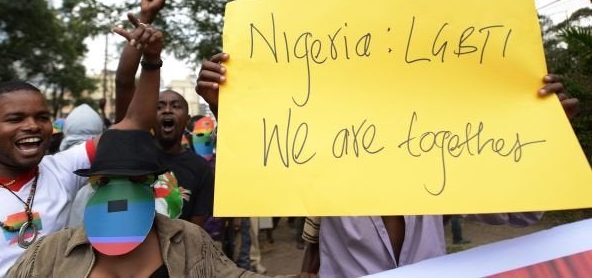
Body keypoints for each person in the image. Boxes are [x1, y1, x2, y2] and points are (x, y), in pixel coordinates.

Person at [196, 52, 581, 277]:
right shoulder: (319, 165)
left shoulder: (438, 164)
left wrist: (548, 137)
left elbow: (521, 213)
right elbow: (258, 169)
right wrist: (223, 105)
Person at [0, 11, 164, 277]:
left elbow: (135, 121)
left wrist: (151, 61)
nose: (32, 126)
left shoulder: (61, 170)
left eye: (42, 117)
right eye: (16, 118)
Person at [6, 129, 264, 278]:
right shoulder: (52, 251)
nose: (121, 191)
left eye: (135, 178)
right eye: (107, 180)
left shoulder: (186, 239)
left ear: (152, 182)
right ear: (93, 184)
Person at [114, 0, 215, 227]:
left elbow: (195, 230)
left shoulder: (200, 169)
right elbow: (124, 82)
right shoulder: (133, 150)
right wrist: (145, 17)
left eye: (175, 106)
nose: (167, 110)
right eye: (159, 106)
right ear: (148, 114)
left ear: (187, 117)